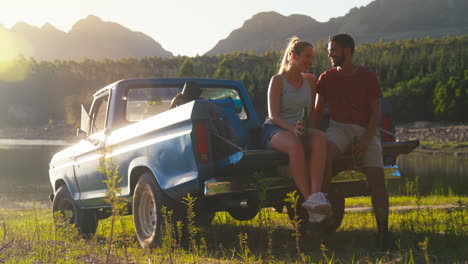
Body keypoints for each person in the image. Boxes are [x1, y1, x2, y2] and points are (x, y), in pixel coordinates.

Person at [313, 34, 393, 248]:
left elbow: (376, 112)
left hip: (365, 130)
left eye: (333, 50)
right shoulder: (326, 78)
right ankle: (324, 216)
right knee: (325, 154)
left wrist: (367, 139)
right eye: (329, 50)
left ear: (347, 50)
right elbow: (318, 111)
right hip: (338, 128)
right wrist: (304, 134)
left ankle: (383, 232)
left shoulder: (367, 76)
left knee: (377, 179)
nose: (330, 54)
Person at [261, 36, 331, 223]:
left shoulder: (310, 80)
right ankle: (309, 199)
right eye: (306, 56)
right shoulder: (277, 80)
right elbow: (273, 115)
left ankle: (316, 195)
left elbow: (314, 110)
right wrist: (292, 129)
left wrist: (308, 128)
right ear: (293, 56)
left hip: (300, 128)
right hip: (276, 129)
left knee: (319, 138)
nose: (310, 61)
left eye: (312, 57)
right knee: (295, 146)